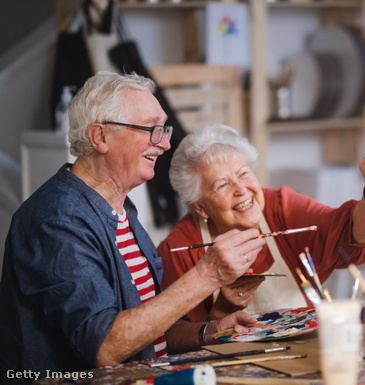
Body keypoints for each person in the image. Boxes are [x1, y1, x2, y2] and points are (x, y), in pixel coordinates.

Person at [0, 72, 264, 378]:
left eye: (164, 129)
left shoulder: (122, 208)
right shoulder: (56, 219)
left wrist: (207, 332)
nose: (165, 144)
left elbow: (148, 332)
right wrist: (208, 274)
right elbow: (106, 348)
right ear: (100, 137)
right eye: (151, 129)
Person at [157, 124, 365, 322]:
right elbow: (179, 343)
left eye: (243, 173)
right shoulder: (178, 250)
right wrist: (223, 309)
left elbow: (354, 235)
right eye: (222, 185)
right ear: (199, 206)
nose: (241, 189)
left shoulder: (279, 206)